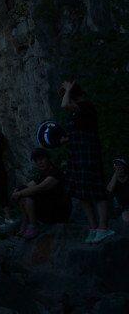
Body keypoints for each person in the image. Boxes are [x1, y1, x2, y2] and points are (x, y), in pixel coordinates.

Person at [60, 80, 114, 243]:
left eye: (66, 94)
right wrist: (66, 139)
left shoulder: (86, 106)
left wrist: (68, 89)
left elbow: (64, 105)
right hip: (77, 156)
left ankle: (103, 228)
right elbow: (78, 130)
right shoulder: (76, 112)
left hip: (89, 155)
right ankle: (93, 227)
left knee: (96, 191)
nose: (64, 97)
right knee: (81, 193)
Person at [11, 148, 70, 239]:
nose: (39, 163)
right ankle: (26, 222)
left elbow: (40, 187)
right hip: (48, 207)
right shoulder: (42, 174)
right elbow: (29, 185)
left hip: (59, 210)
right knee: (23, 195)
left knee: (28, 197)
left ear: (48, 159)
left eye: (42, 159)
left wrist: (19, 193)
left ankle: (33, 226)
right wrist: (18, 190)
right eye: (37, 161)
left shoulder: (55, 173)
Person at [107, 156, 129, 224]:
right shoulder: (113, 178)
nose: (118, 167)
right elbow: (109, 189)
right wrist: (116, 174)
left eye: (120, 165)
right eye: (116, 165)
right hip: (120, 206)